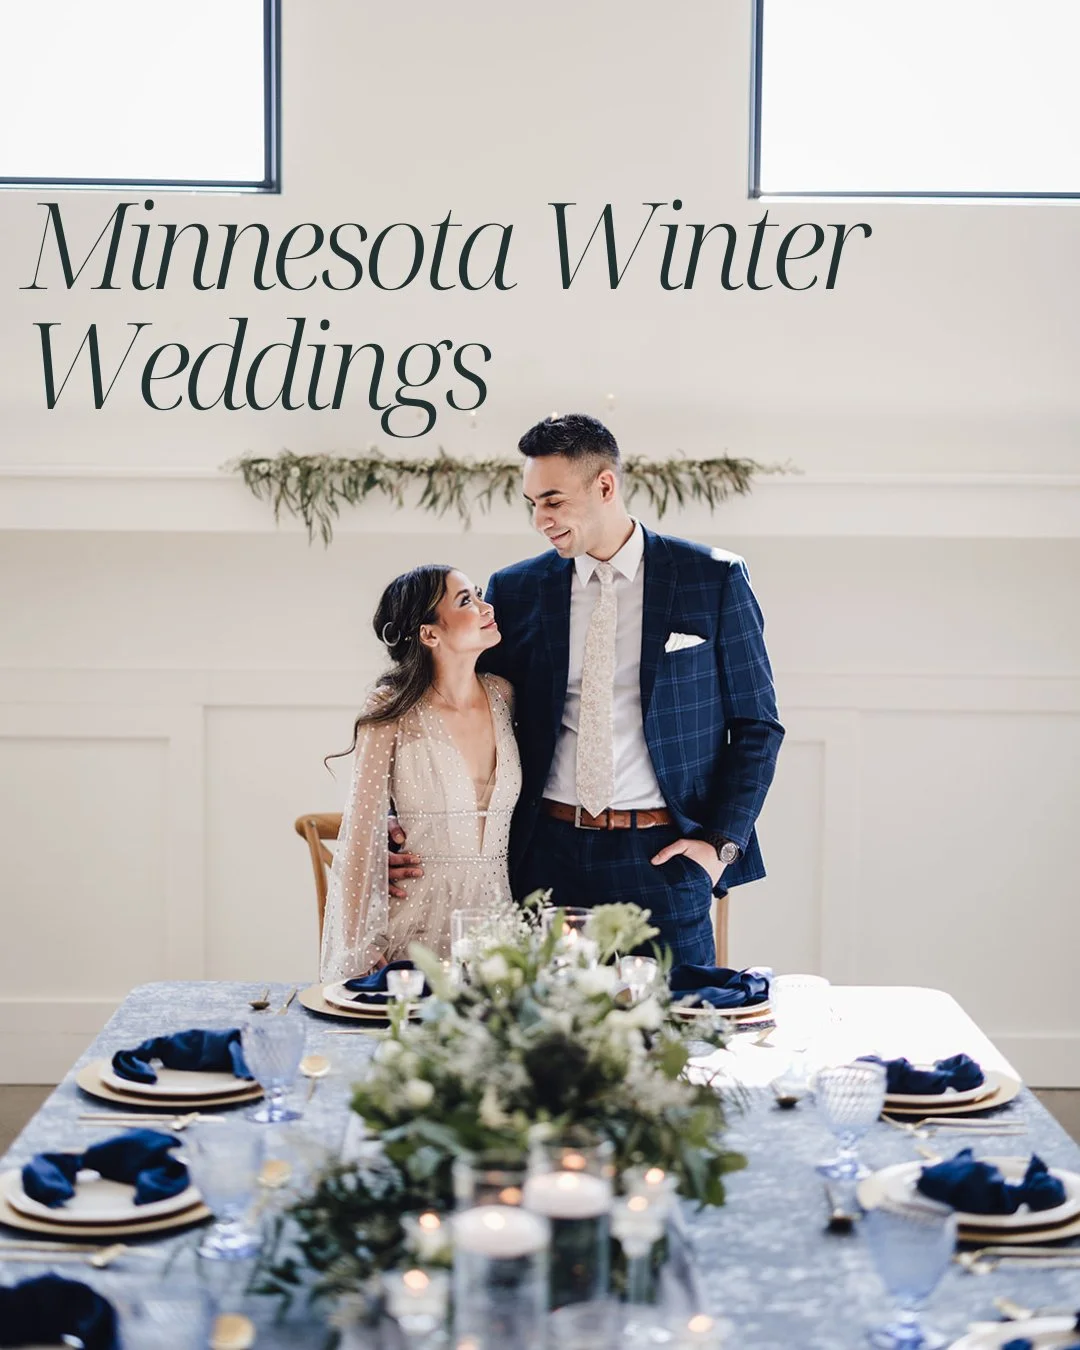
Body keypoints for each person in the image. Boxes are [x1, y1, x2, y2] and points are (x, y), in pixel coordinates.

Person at [389, 415, 783, 967]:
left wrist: (719, 846)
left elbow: (758, 726)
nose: (540, 520)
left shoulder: (712, 579)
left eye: (552, 501)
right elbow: (463, 710)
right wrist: (396, 823)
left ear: (604, 486)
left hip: (664, 861)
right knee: (540, 1041)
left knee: (678, 1039)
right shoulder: (517, 589)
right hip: (542, 858)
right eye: (531, 503)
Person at [319, 564, 520, 981]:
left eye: (479, 594)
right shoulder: (389, 708)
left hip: (498, 926)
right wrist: (358, 948)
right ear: (430, 634)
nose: (486, 607)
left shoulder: (504, 696)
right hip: (414, 927)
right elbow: (360, 832)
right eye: (467, 601)